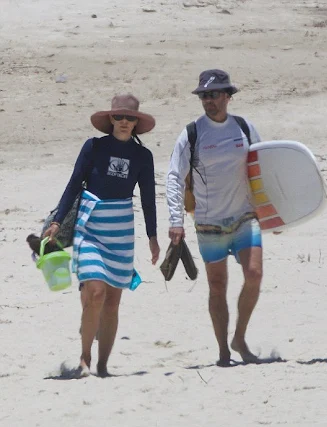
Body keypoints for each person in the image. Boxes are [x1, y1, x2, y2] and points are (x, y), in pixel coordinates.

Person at [43, 94, 160, 377]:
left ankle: (104, 366)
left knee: (113, 302)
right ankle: (85, 359)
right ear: (110, 119)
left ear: (136, 122)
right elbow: (73, 184)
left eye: (129, 118)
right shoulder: (93, 147)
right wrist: (58, 221)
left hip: (121, 228)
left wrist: (152, 237)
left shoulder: (142, 156)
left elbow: (147, 199)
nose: (123, 122)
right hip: (91, 225)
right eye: (118, 117)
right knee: (95, 292)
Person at [166, 69, 266, 367]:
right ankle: (223, 350)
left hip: (245, 216)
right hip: (209, 222)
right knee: (218, 285)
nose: (208, 101)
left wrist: (274, 211)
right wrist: (175, 221)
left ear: (228, 96)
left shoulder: (244, 128)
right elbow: (174, 176)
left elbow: (263, 168)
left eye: (214, 94)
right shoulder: (192, 133)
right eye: (204, 96)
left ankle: (240, 337)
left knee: (255, 274)